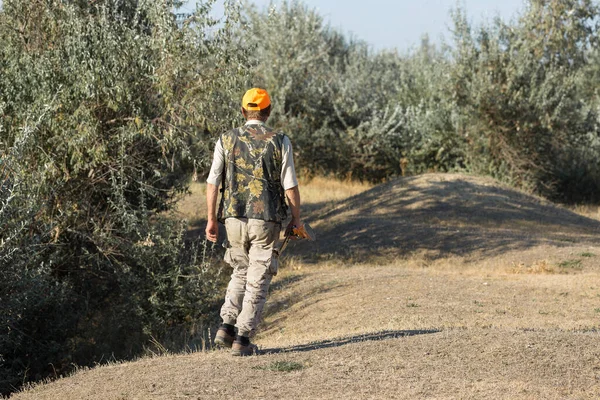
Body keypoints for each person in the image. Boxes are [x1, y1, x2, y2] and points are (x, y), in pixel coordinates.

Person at [205, 88, 301, 356]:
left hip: (233, 218)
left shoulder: (225, 139)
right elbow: (290, 185)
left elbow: (213, 182)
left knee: (240, 271)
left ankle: (226, 326)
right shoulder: (280, 141)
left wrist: (211, 219)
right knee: (258, 275)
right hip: (266, 219)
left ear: (243, 111)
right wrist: (296, 219)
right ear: (269, 111)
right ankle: (243, 339)